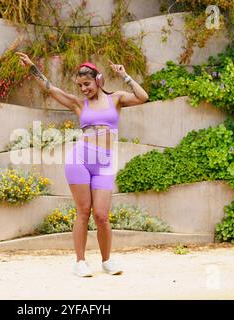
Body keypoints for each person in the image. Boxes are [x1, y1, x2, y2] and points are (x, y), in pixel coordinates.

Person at [16, 52, 149, 277]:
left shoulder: (116, 99)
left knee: (102, 215)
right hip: (80, 160)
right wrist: (31, 67)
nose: (83, 89)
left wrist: (125, 75)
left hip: (104, 164)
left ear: (98, 80)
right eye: (80, 85)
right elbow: (50, 88)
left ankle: (107, 260)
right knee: (84, 212)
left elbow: (143, 96)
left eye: (87, 84)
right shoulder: (79, 104)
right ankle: (80, 262)